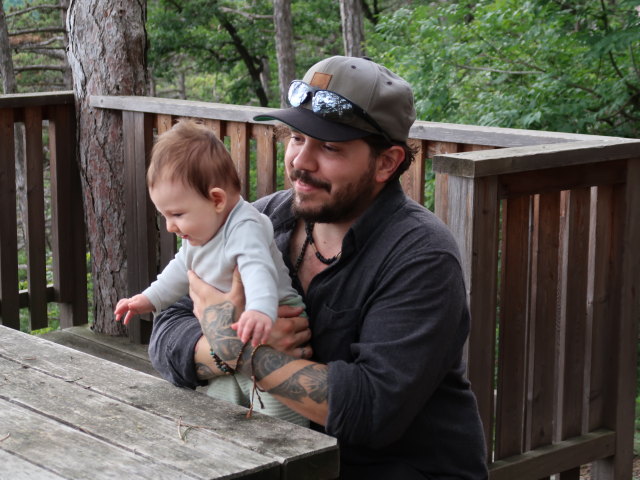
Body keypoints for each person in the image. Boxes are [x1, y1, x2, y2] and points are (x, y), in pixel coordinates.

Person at [149, 56, 489, 479]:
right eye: (296, 138)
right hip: (273, 461)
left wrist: (229, 339)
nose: (300, 162)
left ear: (386, 162)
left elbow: (370, 408)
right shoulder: (262, 220)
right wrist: (225, 341)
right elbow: (165, 333)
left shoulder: (420, 256)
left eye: (329, 147)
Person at [114, 119, 308, 426]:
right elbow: (179, 270)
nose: (170, 226)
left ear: (216, 199)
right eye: (164, 215)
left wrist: (259, 310)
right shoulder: (201, 233)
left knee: (278, 409)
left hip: (276, 321)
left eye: (177, 214)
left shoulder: (245, 225)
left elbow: (257, 268)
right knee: (222, 395)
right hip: (235, 334)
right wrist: (147, 299)